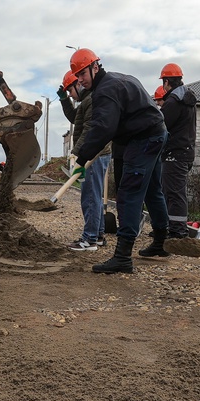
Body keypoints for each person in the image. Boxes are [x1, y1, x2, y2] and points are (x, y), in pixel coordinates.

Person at [70, 48, 169, 274]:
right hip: (156, 133)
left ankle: (123, 257)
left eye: (82, 73)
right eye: (77, 76)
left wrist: (82, 157)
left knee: (128, 193)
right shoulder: (117, 79)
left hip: (144, 139)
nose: (80, 80)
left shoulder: (105, 91)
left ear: (95, 67)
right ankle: (161, 242)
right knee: (152, 190)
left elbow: (103, 128)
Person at [63, 69, 111, 252]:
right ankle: (97, 235)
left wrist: (76, 154)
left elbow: (89, 129)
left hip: (93, 154)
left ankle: (89, 239)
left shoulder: (91, 99)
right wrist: (64, 100)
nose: (70, 95)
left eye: (70, 90)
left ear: (78, 84)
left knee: (90, 196)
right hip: (97, 153)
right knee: (95, 195)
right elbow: (75, 118)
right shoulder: (87, 99)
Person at [157, 63, 197, 239]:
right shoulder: (188, 99)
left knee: (174, 193)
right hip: (186, 152)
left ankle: (178, 232)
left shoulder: (173, 102)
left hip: (175, 153)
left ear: (166, 82)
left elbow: (161, 127)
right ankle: (174, 228)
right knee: (174, 192)